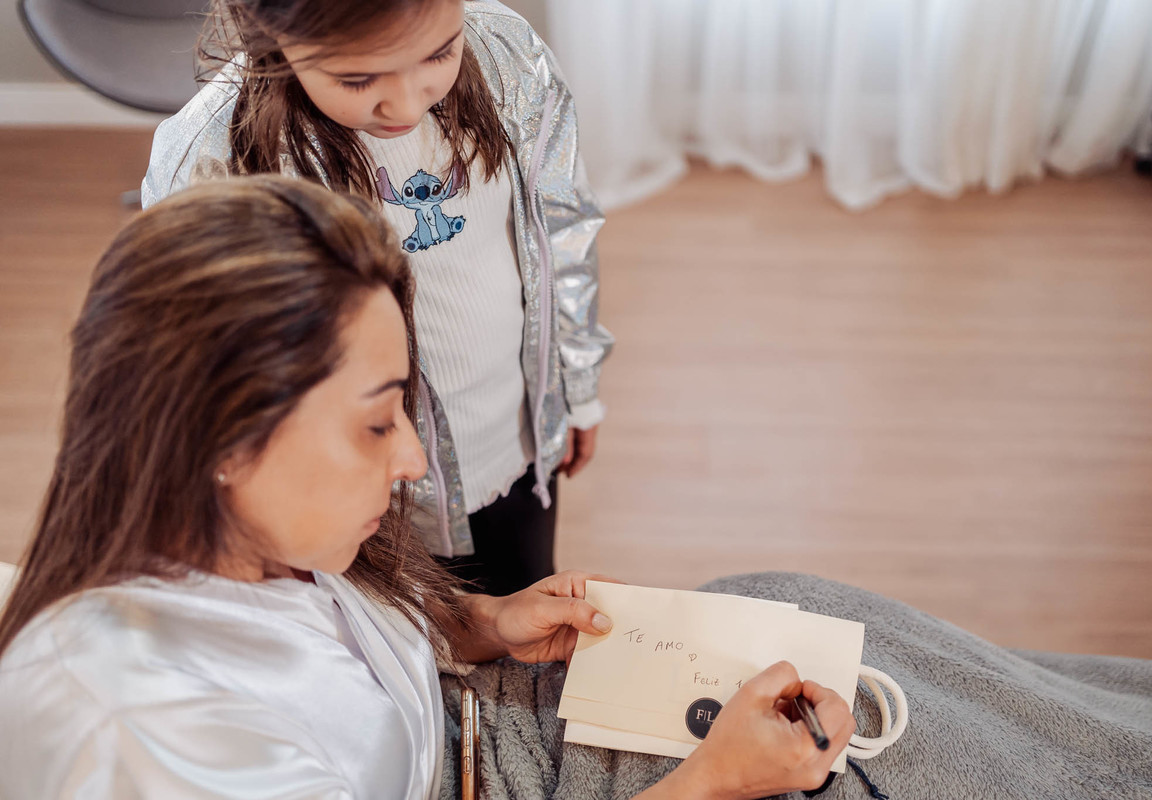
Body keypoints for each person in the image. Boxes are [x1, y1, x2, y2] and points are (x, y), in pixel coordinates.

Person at [0, 177, 854, 799]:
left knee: (786, 603)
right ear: (218, 438)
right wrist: (711, 784)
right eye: (378, 423)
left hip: (478, 734)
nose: (412, 460)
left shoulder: (256, 535)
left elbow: (331, 652)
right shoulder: (145, 742)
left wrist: (482, 623)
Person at [142, 0, 615, 596]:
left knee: (519, 609)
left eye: (440, 52)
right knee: (405, 647)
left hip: (514, 438)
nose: (408, 104)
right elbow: (202, 371)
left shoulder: (510, 56)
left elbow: (562, 228)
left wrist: (577, 385)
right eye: (359, 79)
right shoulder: (214, 154)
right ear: (273, 32)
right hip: (360, 497)